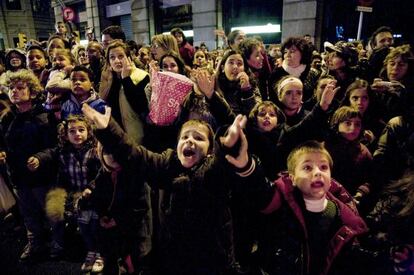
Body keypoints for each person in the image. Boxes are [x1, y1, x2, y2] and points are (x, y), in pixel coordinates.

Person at [82, 103, 259, 275]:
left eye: (198, 138)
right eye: (185, 137)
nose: (190, 140)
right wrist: (108, 131)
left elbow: (218, 165)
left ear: (210, 150)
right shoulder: (167, 165)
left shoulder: (213, 170)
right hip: (172, 258)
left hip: (211, 259)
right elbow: (135, 156)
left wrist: (228, 145)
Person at [253, 141, 368, 275]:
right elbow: (258, 189)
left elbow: (350, 257)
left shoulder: (340, 215)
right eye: (307, 167)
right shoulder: (282, 206)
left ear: (330, 179)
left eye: (323, 167)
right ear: (293, 178)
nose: (318, 173)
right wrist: (244, 164)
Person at [27, 115, 103, 271]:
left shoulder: (94, 151)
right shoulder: (63, 151)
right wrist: (38, 159)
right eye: (72, 131)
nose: (77, 134)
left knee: (95, 224)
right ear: (65, 135)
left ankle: (100, 252)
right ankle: (90, 251)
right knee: (83, 225)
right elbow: (49, 153)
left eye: (81, 130)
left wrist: (91, 187)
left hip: (93, 195)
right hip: (75, 195)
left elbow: (101, 174)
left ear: (89, 131)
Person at [0, 69, 57, 262]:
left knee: (50, 211)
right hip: (18, 175)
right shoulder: (7, 118)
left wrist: (41, 158)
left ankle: (58, 243)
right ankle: (35, 243)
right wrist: (2, 152)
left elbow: (56, 147)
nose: (14, 91)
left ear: (32, 91)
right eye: (11, 88)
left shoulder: (45, 115)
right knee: (28, 213)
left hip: (41, 176)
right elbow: (3, 143)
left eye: (20, 88)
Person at [99, 41, 149, 145]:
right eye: (112, 57)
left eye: (121, 56)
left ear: (129, 58)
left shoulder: (141, 76)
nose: (117, 60)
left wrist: (126, 79)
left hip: (137, 136)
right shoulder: (109, 78)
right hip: (116, 136)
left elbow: (141, 107)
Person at [268, 36, 319, 103]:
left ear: (303, 53)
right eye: (285, 52)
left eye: (292, 51)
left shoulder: (313, 73)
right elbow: (273, 99)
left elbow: (316, 97)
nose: (287, 55)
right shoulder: (276, 73)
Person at [215, 49, 261, 115]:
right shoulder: (215, 85)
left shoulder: (251, 84)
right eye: (231, 63)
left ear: (244, 69)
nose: (235, 67)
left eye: (239, 63)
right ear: (222, 68)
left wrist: (247, 90)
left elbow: (256, 113)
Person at [44, 48, 74, 114]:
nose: (57, 62)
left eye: (61, 59)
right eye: (54, 60)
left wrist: (63, 71)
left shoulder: (74, 78)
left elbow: (51, 86)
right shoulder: (53, 74)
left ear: (72, 63)